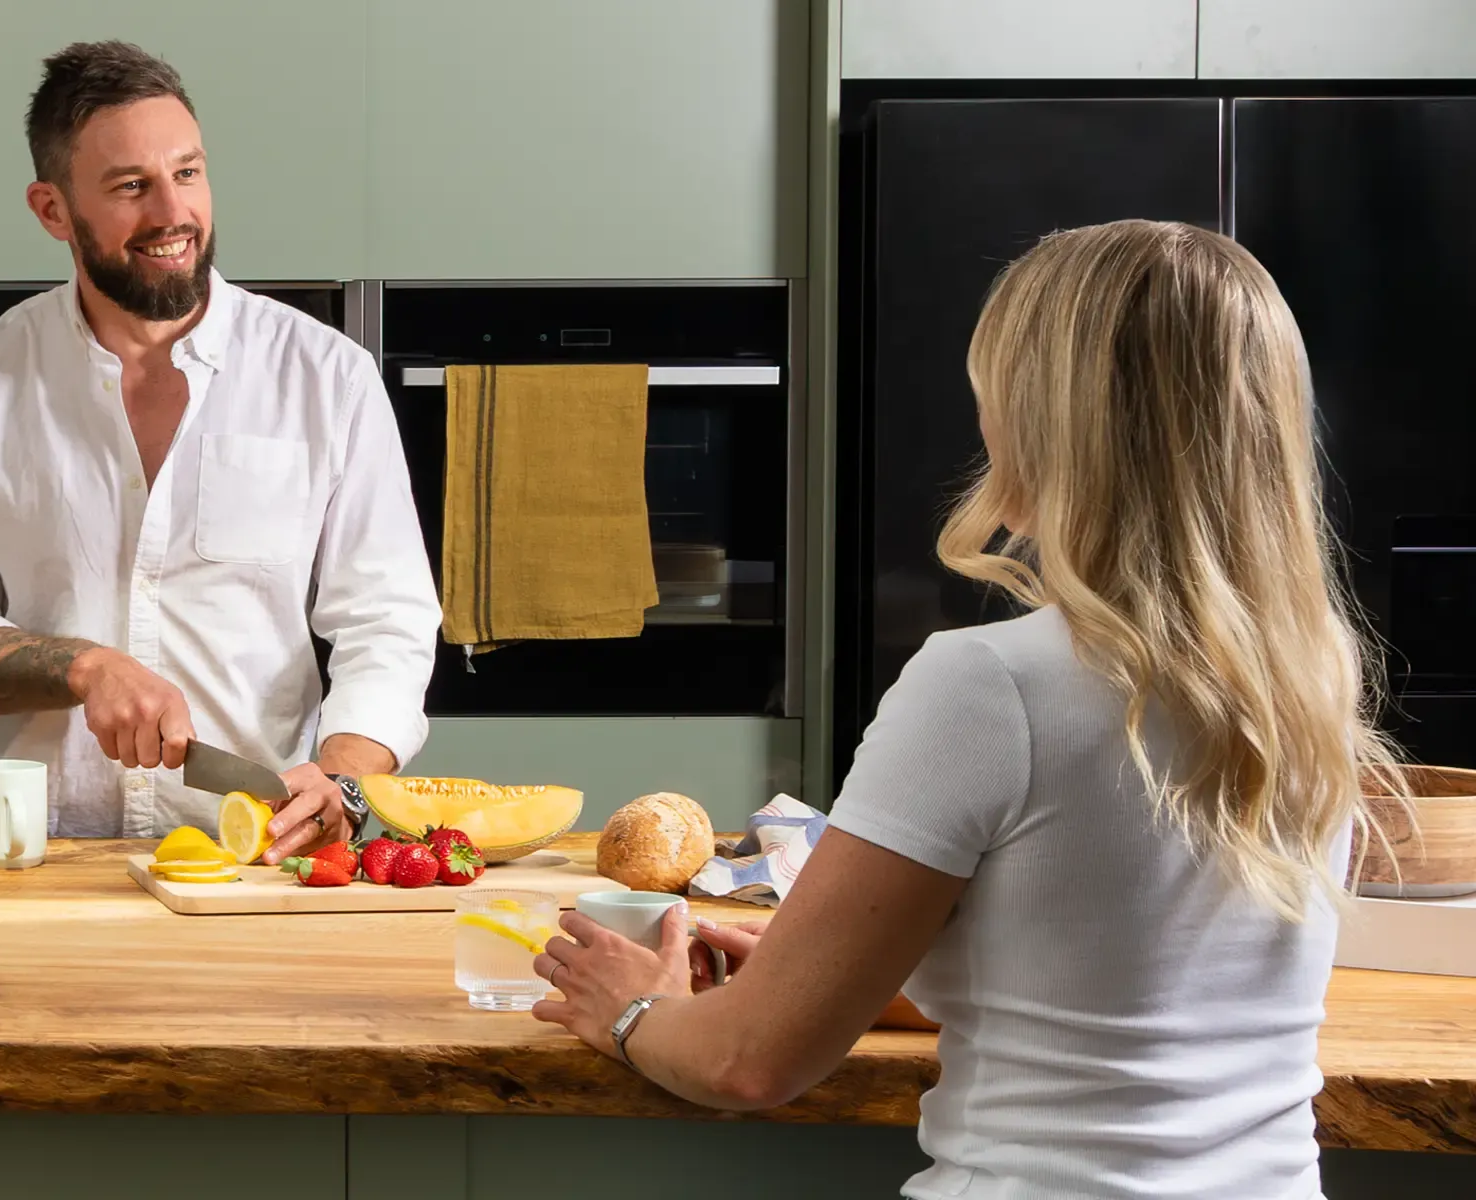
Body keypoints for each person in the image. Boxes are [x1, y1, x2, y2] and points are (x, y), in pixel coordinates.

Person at [528, 219, 1393, 1198]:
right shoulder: (1308, 674)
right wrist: (831, 963)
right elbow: (1120, 981)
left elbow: (748, 1062)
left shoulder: (989, 685)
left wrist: (633, 1009)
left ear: (1042, 426)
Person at [0, 41, 438, 854]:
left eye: (187, 173)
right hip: (47, 863)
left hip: (255, 857)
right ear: (52, 210)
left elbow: (387, 620)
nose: (172, 214)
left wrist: (345, 775)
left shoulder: (327, 375)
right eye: (129, 187)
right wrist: (82, 666)